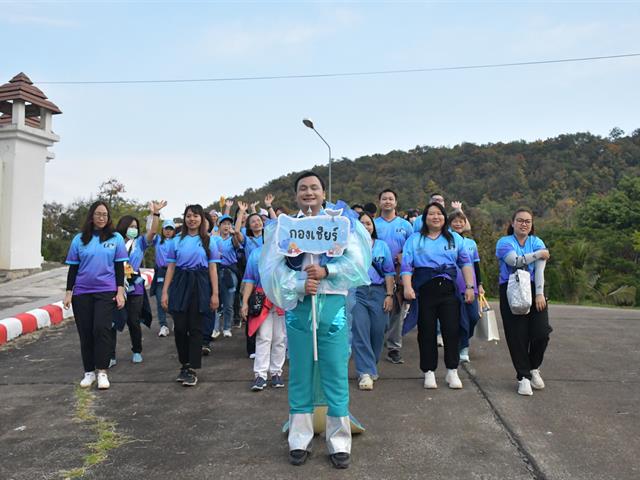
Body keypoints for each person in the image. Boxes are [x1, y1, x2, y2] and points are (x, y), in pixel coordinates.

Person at [259, 171, 371, 469]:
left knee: (335, 372)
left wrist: (328, 272)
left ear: (323, 193)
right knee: (300, 373)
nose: (309, 193)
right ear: (296, 195)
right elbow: (270, 269)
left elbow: (359, 263)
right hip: (299, 308)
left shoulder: (340, 224)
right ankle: (300, 438)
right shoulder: (285, 228)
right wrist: (297, 283)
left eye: (314, 188)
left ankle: (339, 442)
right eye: (303, 189)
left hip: (332, 306)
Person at [401, 202, 475, 390]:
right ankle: (429, 372)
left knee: (452, 330)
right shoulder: (415, 239)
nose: (436, 217)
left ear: (444, 217)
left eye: (439, 214)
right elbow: (407, 266)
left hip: (449, 289)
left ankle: (452, 371)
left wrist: (469, 287)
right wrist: (407, 287)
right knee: (426, 331)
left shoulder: (454, 239)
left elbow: (466, 263)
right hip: (425, 289)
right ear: (424, 218)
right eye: (431, 214)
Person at [64, 201, 128, 390]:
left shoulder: (115, 238)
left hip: (105, 291)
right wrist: (69, 293)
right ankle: (89, 372)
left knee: (101, 329)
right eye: (98, 214)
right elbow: (73, 268)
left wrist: (120, 292)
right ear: (92, 215)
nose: (101, 217)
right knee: (85, 333)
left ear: (108, 218)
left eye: (105, 215)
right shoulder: (79, 239)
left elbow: (119, 267)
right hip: (82, 293)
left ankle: (102, 371)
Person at [161, 204, 220, 387]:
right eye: (188, 216)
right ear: (184, 218)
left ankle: (192, 368)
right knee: (179, 327)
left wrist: (215, 294)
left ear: (202, 219)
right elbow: (171, 267)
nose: (192, 219)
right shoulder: (176, 240)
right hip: (180, 282)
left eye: (195, 216)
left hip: (200, 283)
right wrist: (165, 291)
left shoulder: (210, 241)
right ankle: (184, 364)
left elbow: (213, 268)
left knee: (195, 327)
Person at [496, 207, 551, 396]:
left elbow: (540, 270)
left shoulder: (536, 241)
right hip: (511, 289)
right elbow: (515, 261)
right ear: (512, 223)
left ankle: (533, 367)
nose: (524, 224)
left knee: (541, 332)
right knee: (517, 335)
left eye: (528, 221)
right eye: (520, 220)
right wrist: (538, 254)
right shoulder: (504, 242)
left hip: (535, 288)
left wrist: (540, 293)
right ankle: (524, 377)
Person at [111, 201, 166, 364]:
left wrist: (155, 214)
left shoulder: (140, 243)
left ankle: (136, 350)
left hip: (135, 286)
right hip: (115, 285)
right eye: (130, 226)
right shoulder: (114, 241)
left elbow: (153, 231)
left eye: (135, 226)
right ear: (123, 226)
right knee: (112, 322)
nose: (133, 229)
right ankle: (110, 355)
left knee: (133, 320)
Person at [351, 212, 395, 390]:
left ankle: (370, 365)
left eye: (368, 223)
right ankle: (365, 372)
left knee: (378, 331)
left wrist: (390, 295)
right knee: (360, 330)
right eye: (361, 223)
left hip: (378, 292)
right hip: (357, 292)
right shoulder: (350, 246)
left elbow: (389, 272)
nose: (365, 226)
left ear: (373, 227)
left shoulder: (382, 246)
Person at [374, 189, 413, 365]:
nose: (387, 201)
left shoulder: (405, 225)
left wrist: (404, 255)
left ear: (396, 203)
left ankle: (394, 347)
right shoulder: (374, 224)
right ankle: (374, 342)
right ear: (379, 202)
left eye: (391, 199)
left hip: (398, 272)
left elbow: (412, 247)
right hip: (376, 272)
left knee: (397, 310)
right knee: (377, 308)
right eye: (384, 199)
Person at [240, 246, 287, 391]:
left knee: (280, 338)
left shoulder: (286, 251)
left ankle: (276, 372)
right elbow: (250, 279)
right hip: (262, 299)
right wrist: (245, 302)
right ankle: (260, 374)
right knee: (264, 337)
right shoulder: (256, 253)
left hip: (281, 299)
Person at [449, 209, 485, 363]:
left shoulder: (471, 243)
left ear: (465, 224)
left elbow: (475, 266)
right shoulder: (446, 241)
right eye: (455, 221)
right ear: (450, 224)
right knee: (458, 319)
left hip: (470, 287)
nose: (458, 224)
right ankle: (463, 347)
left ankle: (461, 342)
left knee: (473, 317)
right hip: (452, 286)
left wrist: (480, 284)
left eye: (461, 221)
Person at [211, 214, 241, 338]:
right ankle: (215, 328)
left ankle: (227, 327)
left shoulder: (233, 238)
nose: (226, 226)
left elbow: (237, 244)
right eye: (224, 224)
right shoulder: (214, 239)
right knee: (215, 301)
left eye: (229, 224)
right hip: (216, 271)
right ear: (219, 225)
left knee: (228, 302)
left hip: (230, 273)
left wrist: (234, 234)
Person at [151, 219, 177, 338]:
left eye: (170, 229)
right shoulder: (157, 240)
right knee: (160, 297)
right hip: (161, 272)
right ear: (162, 230)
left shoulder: (177, 241)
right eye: (166, 228)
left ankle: (177, 322)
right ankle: (163, 325)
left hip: (175, 272)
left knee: (175, 298)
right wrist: (154, 214)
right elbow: (151, 230)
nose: (168, 231)